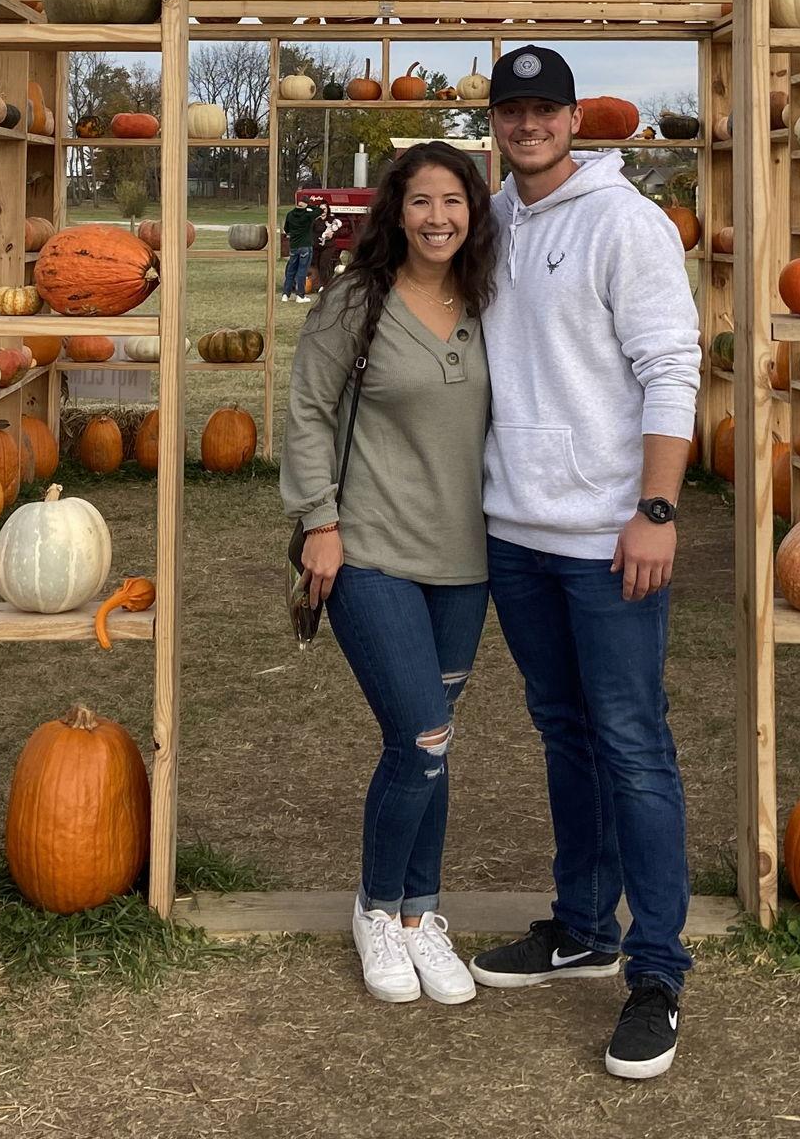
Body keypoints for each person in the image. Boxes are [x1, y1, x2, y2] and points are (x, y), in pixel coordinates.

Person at [465, 46, 702, 1083]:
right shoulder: (491, 220)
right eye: (510, 110)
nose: (528, 125)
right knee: (563, 732)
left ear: (574, 119)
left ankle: (656, 972)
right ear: (495, 123)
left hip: (609, 539)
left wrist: (655, 509)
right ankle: (581, 925)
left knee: (633, 744)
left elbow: (672, 367)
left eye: (544, 109)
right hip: (515, 531)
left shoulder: (626, 223)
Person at [281, 142, 496, 1007]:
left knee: (435, 742)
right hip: (369, 551)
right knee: (422, 736)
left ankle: (419, 915)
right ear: (395, 213)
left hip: (466, 561)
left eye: (453, 201)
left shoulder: (489, 301)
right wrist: (319, 522)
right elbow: (307, 408)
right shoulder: (356, 301)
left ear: (473, 211)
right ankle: (376, 908)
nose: (438, 218)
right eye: (420, 202)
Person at [280, 192, 326, 302]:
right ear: (306, 204)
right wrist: (309, 206)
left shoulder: (290, 214)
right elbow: (320, 211)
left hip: (294, 246)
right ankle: (300, 295)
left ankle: (285, 294)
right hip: (305, 246)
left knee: (291, 270)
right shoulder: (307, 215)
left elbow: (286, 229)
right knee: (302, 271)